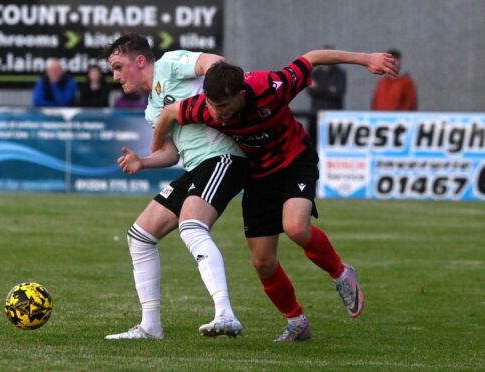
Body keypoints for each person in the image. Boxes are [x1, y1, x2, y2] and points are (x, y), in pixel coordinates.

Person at [152, 49, 398, 342]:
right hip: (259, 175)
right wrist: (157, 149)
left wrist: (366, 59)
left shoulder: (271, 86)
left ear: (242, 94)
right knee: (262, 262)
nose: (216, 114)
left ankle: (342, 274)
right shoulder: (205, 107)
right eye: (212, 105)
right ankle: (297, 321)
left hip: (295, 161)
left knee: (295, 227)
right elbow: (168, 113)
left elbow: (313, 58)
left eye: (224, 107)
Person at [103, 33, 249, 340]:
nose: (115, 75)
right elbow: (171, 153)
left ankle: (226, 314)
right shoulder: (151, 109)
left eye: (118, 66)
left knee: (191, 225)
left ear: (140, 61)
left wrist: (193, 107)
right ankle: (150, 326)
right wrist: (143, 161)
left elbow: (217, 65)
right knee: (140, 236)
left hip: (223, 157)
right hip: (196, 167)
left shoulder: (169, 65)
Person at [306, 46, 347, 112]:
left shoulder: (340, 73)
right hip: (316, 112)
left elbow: (338, 93)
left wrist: (319, 88)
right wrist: (329, 88)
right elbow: (310, 91)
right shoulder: (315, 73)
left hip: (334, 112)